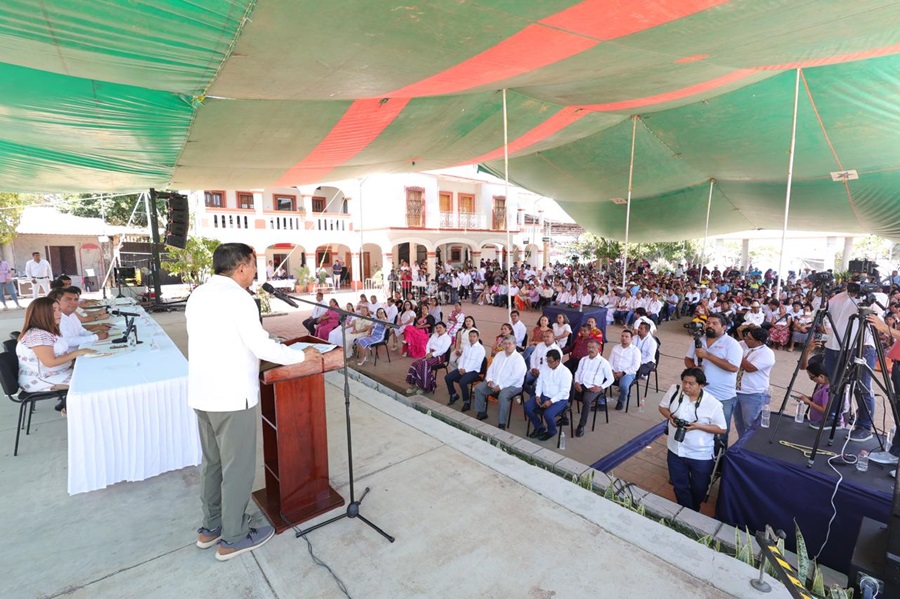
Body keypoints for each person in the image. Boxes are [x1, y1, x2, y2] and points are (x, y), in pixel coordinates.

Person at [186, 243, 320, 561]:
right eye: (253, 266)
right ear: (242, 267)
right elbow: (262, 347)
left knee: (213, 464)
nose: (255, 273)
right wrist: (303, 355)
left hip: (203, 393)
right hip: (232, 396)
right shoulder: (239, 298)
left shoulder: (198, 295)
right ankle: (232, 537)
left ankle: (211, 527)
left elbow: (220, 339)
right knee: (237, 469)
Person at [659, 368, 726, 511]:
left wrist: (698, 427)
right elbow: (662, 407)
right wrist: (671, 417)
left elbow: (722, 428)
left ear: (701, 385)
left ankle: (691, 509)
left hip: (700, 454)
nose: (686, 386)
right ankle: (688, 513)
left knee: (700, 488)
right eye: (684, 382)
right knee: (679, 485)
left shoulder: (712, 404)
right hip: (675, 449)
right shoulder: (674, 391)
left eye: (691, 384)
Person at [17, 297, 96, 414]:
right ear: (41, 314)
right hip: (40, 379)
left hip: (55, 373)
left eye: (59, 309)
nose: (59, 313)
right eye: (53, 310)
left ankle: (68, 406)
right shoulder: (38, 335)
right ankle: (78, 414)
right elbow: (50, 362)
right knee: (91, 383)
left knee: (92, 374)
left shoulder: (47, 331)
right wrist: (77, 353)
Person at [684, 313, 742, 433]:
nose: (710, 325)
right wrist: (694, 369)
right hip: (699, 393)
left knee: (720, 431)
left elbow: (733, 367)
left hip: (722, 396)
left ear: (724, 327)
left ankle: (719, 452)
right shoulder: (699, 340)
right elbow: (688, 359)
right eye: (708, 323)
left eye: (715, 323)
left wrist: (707, 355)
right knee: (697, 425)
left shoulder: (732, 344)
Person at [473, 335, 527, 430]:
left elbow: (514, 378)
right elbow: (490, 369)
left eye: (509, 344)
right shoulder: (499, 355)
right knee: (478, 388)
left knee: (502, 396)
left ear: (515, 345)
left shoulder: (519, 359)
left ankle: (502, 422)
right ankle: (481, 412)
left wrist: (501, 386)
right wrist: (489, 380)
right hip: (495, 382)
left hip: (512, 386)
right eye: (505, 344)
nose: (507, 346)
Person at [733, 328, 776, 437]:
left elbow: (749, 368)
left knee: (750, 424)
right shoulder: (742, 344)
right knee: (739, 423)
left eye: (749, 338)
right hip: (736, 391)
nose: (745, 338)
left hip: (753, 394)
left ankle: (749, 448)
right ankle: (740, 446)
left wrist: (737, 354)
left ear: (759, 342)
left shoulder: (767, 354)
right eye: (746, 335)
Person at [524, 350, 572, 442]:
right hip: (544, 395)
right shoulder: (544, 368)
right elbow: (540, 382)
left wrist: (551, 401)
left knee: (548, 414)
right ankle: (539, 427)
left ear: (558, 361)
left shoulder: (565, 373)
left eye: (550, 361)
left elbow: (564, 392)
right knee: (527, 406)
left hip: (559, 399)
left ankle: (551, 431)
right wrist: (537, 395)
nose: (548, 363)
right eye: (547, 361)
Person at [572, 339, 614, 437]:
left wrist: (601, 387)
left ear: (598, 348)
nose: (590, 349)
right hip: (581, 385)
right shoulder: (583, 359)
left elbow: (610, 379)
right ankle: (564, 417)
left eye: (593, 347)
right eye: (588, 347)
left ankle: (581, 425)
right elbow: (577, 372)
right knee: (566, 394)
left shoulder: (604, 362)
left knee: (587, 401)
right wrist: (577, 382)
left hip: (593, 388)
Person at [405, 322, 452, 394]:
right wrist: (427, 353)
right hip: (429, 354)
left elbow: (443, 350)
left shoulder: (447, 338)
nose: (438, 329)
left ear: (445, 328)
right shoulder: (434, 335)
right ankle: (414, 385)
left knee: (424, 364)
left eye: (440, 327)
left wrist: (432, 354)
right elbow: (428, 344)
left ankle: (424, 387)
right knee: (415, 363)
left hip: (439, 356)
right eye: (437, 328)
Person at [445, 329, 486, 411]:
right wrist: (460, 368)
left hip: (473, 371)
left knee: (462, 382)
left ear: (477, 337)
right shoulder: (467, 346)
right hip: (462, 368)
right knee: (448, 377)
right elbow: (462, 358)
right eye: (470, 336)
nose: (472, 338)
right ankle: (454, 395)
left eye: (474, 336)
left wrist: (465, 370)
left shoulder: (480, 349)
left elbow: (477, 364)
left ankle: (467, 402)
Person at [608, 329, 641, 411]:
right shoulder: (616, 348)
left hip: (627, 374)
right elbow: (610, 361)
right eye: (622, 336)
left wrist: (623, 373)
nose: (624, 338)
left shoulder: (635, 350)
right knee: (599, 379)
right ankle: (600, 401)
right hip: (613, 372)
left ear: (631, 339)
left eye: (626, 337)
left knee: (623, 386)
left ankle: (621, 400)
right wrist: (612, 371)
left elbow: (635, 366)